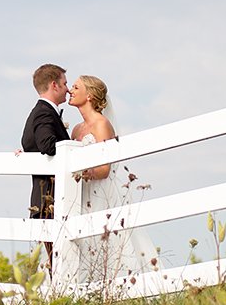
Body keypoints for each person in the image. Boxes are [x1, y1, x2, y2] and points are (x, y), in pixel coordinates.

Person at [68, 74, 159, 289]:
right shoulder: (76, 129)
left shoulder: (101, 125)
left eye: (75, 86)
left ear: (89, 95)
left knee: (104, 241)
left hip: (99, 192)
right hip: (79, 194)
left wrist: (81, 173)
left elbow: (104, 169)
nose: (70, 90)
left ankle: (119, 289)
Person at [21, 64, 70, 265]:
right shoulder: (44, 113)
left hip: (46, 201)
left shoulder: (40, 111)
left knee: (59, 264)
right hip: (50, 200)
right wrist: (75, 148)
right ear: (54, 85)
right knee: (59, 264)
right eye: (65, 83)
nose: (68, 88)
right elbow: (47, 144)